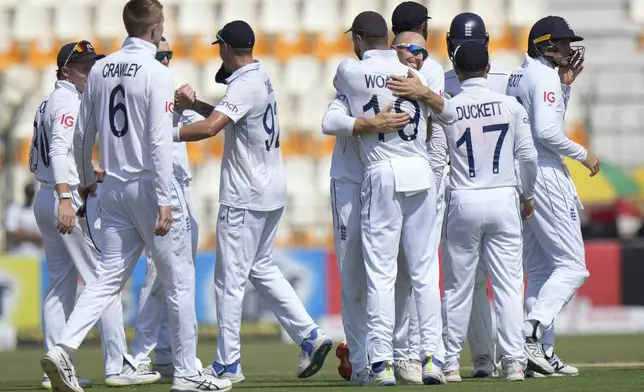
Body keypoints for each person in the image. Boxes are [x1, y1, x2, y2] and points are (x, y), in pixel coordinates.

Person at [39, 2, 230, 392]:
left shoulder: (102, 70)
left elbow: (83, 133)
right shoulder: (157, 72)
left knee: (107, 278)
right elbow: (160, 141)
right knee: (179, 280)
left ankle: (63, 348)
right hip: (147, 184)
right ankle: (189, 375)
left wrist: (84, 179)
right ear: (157, 28)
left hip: (110, 187)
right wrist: (163, 198)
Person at [172, 20, 332, 383]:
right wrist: (194, 103)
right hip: (271, 190)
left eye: (219, 48)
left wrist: (166, 134)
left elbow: (212, 127)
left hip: (246, 195)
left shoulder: (243, 84)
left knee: (229, 280)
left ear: (225, 49)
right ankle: (310, 335)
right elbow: (230, 118)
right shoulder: (259, 78)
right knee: (261, 268)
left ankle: (228, 363)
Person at [332, 11, 456, 386]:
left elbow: (343, 94)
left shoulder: (349, 70)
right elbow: (449, 114)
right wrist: (425, 92)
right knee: (424, 273)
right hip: (420, 171)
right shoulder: (415, 73)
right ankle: (433, 359)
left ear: (357, 39)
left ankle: (381, 362)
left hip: (382, 172)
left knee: (382, 274)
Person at [31, 41, 158, 390]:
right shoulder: (69, 101)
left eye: (92, 65)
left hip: (47, 195)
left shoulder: (47, 103)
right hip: (64, 198)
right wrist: (65, 198)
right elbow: (59, 148)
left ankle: (53, 369)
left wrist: (87, 174)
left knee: (59, 288)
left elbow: (39, 156)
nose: (89, 72)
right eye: (83, 66)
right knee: (103, 281)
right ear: (64, 71)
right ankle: (117, 366)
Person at [506, 15, 599, 377]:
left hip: (522, 172)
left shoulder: (520, 73)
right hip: (544, 171)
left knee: (543, 268)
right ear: (544, 45)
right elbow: (546, 131)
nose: (568, 49)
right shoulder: (543, 75)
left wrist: (565, 87)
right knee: (573, 266)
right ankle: (531, 331)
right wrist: (584, 154)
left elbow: (541, 117)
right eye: (562, 44)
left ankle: (540, 354)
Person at [441, 40, 538, 383]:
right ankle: (513, 361)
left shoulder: (448, 108)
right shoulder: (510, 106)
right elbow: (527, 157)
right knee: (510, 284)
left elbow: (439, 163)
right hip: (502, 198)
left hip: (463, 199)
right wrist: (527, 195)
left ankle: (450, 362)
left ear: (456, 72)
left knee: (458, 285)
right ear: (487, 68)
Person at [441, 12, 513, 381]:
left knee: (486, 280)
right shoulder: (438, 81)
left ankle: (510, 354)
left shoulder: (504, 78)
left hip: (490, 189)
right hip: (466, 191)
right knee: (472, 280)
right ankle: (485, 356)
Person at [129, 36, 204, 383]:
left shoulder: (170, 85)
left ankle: (166, 353)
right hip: (157, 188)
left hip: (181, 185)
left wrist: (192, 102)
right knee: (159, 273)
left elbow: (211, 120)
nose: (164, 59)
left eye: (168, 54)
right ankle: (141, 355)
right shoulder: (141, 87)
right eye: (159, 53)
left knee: (179, 273)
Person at [3, 182, 42, 258]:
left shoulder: (40, 212)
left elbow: (43, 237)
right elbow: (10, 233)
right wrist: (33, 235)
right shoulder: (14, 209)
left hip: (37, 257)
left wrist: (22, 233)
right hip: (16, 256)